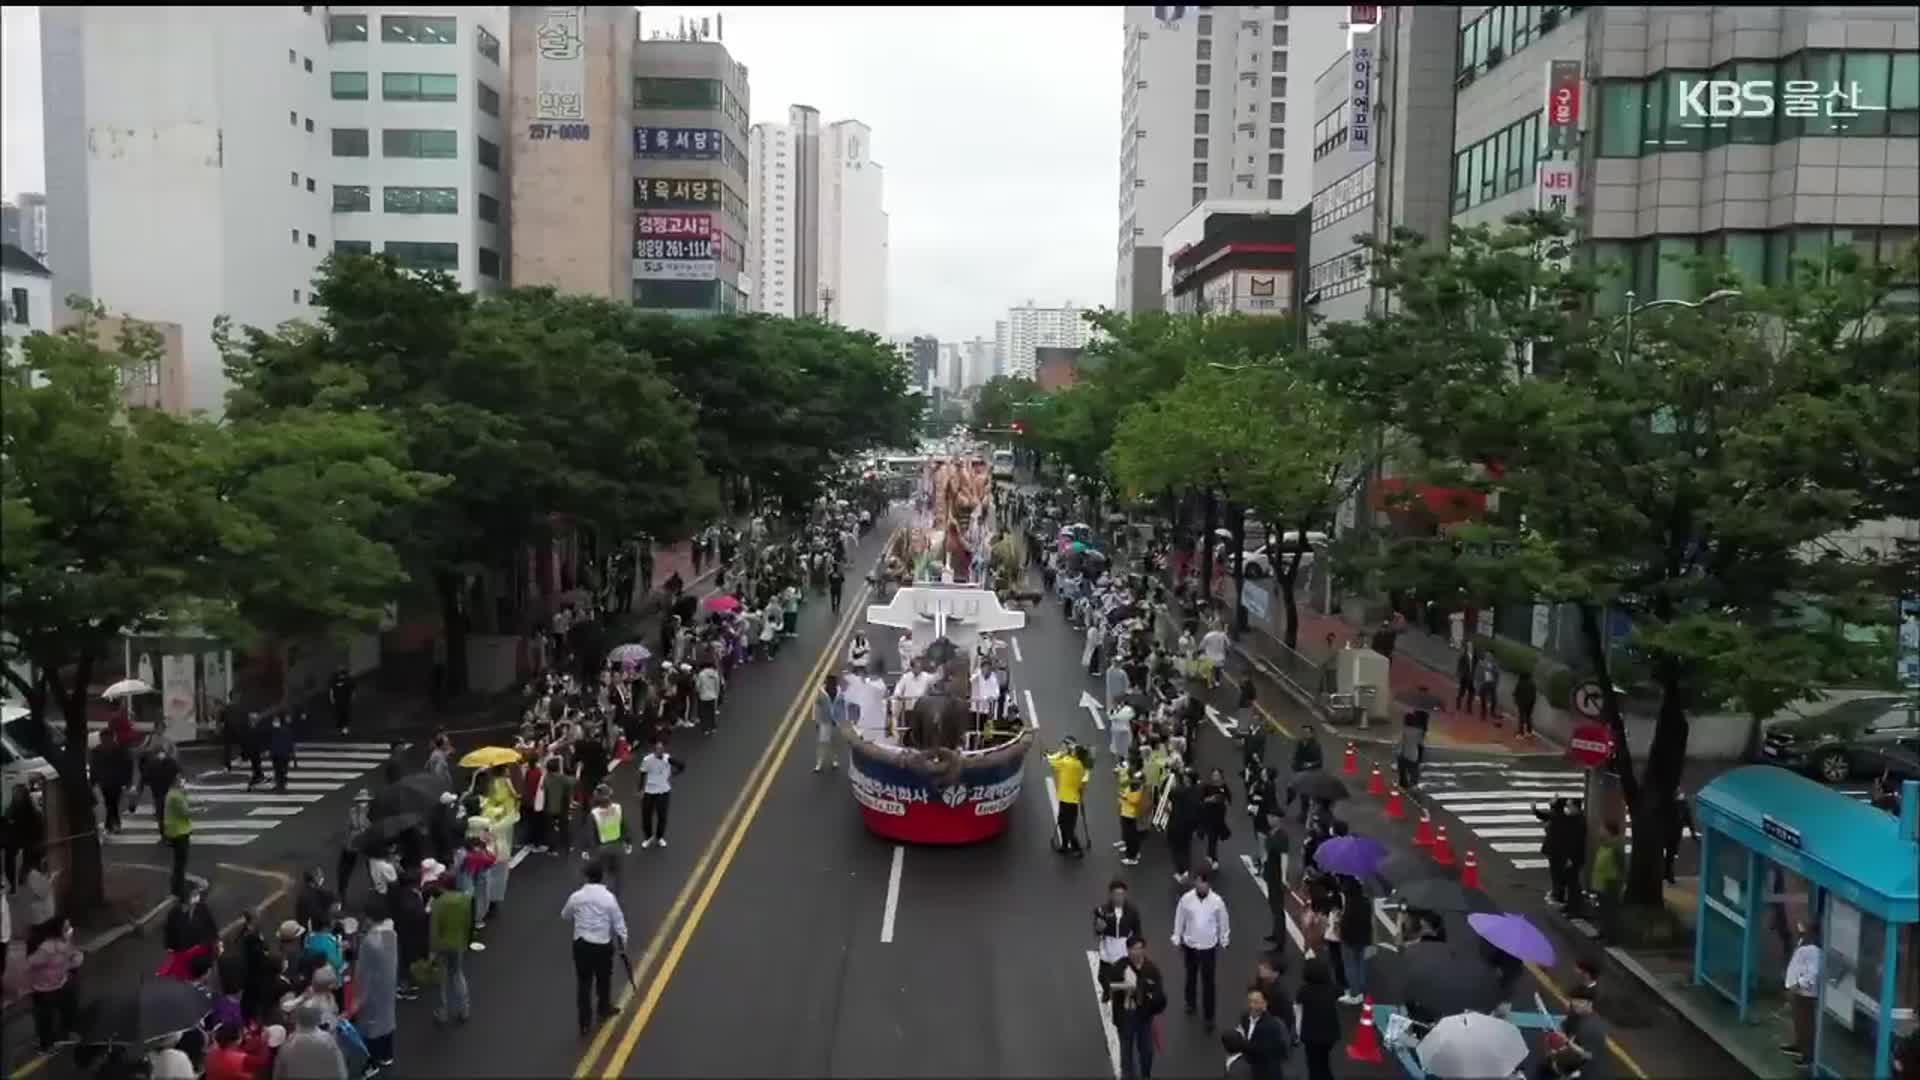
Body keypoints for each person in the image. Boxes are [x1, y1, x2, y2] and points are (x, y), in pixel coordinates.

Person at [561, 863, 628, 1036]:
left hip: (582, 944)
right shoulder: (608, 898)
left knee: (583, 983)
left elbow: (565, 915)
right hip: (602, 945)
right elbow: (618, 923)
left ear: (586, 877)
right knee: (603, 979)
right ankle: (603, 1008)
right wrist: (622, 945)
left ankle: (584, 1021)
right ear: (601, 877)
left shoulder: (577, 897)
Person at [1171, 870, 1229, 1033]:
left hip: (1208, 946)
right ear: (1195, 882)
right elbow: (1179, 918)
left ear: (1209, 884)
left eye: (1204, 882)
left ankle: (1209, 1017)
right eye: (1198, 882)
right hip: (1190, 944)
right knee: (1190, 974)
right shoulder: (1187, 899)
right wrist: (1177, 935)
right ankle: (1190, 1002)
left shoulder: (1217, 902)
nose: (1201, 885)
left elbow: (1223, 921)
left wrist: (1224, 938)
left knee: (1208, 982)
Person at [1105, 936, 1166, 1080]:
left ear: (1144, 950)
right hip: (1125, 1016)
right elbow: (1110, 987)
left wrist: (1151, 999)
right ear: (1128, 950)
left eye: (1139, 948)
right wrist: (1128, 987)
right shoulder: (1120, 967)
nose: (1136, 952)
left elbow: (1160, 996)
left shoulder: (1151, 970)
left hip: (1144, 1018)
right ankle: (1128, 1076)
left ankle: (1146, 1074)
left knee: (1147, 1051)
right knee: (1126, 1051)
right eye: (1133, 949)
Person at [350, 900, 399, 1069]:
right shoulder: (391, 934)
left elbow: (362, 971)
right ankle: (387, 1055)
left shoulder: (370, 941)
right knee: (387, 1018)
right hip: (388, 984)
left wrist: (358, 998)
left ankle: (373, 1060)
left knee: (372, 1023)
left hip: (373, 989)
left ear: (370, 918)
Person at [428, 871, 475, 1021]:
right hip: (458, 943)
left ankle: (442, 1012)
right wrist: (467, 941)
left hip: (442, 944)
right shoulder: (465, 900)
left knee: (440, 978)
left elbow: (434, 929)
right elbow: (469, 923)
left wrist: (432, 951)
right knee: (457, 974)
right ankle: (464, 1008)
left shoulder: (438, 903)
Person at [274, 1001, 348, 1080]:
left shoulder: (287, 1045)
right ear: (317, 1020)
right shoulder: (329, 1041)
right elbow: (342, 1074)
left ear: (297, 1021)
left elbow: (278, 1076)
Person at [1295, 958, 1342, 1080]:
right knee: (1324, 1061)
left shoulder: (1303, 991)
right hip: (1330, 1034)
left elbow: (1298, 1012)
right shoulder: (1332, 988)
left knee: (1313, 1065)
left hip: (1311, 1035)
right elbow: (1340, 992)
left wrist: (1297, 1033)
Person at [1232, 985, 1291, 1080]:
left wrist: (1239, 1043)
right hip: (1250, 1067)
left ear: (1265, 1004)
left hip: (1267, 1071)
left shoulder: (1271, 1026)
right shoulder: (1245, 1018)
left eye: (1256, 1002)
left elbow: (1263, 1050)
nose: (1251, 1005)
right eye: (1250, 1001)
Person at [1094, 879, 1144, 990]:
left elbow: (1137, 931)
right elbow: (1097, 931)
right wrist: (1099, 928)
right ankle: (1108, 991)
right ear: (1111, 895)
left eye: (1122, 894)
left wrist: (1137, 949)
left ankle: (1119, 997)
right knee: (1102, 977)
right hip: (1107, 949)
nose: (1119, 897)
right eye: (1116, 894)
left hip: (1123, 950)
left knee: (1119, 978)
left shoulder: (1132, 911)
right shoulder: (1102, 910)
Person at [1783, 921, 1821, 1064]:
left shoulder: (1813, 950)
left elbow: (1813, 972)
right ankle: (1800, 1045)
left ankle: (1808, 1055)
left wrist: (1799, 984)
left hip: (1805, 993)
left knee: (1806, 1024)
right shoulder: (1803, 944)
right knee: (1799, 1021)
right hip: (1797, 990)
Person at [637, 740, 685, 847]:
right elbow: (642, 774)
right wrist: (640, 790)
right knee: (646, 816)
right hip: (649, 791)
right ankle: (649, 837)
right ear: (654, 750)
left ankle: (659, 837)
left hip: (663, 791)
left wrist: (672, 772)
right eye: (658, 749)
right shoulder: (647, 760)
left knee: (662, 816)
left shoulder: (668, 759)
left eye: (662, 749)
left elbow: (682, 766)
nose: (660, 751)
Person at [1047, 739, 1090, 856]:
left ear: (1075, 754)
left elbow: (1052, 763)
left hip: (1067, 799)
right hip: (1071, 799)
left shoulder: (1068, 762)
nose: (1071, 749)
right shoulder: (1079, 765)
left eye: (1073, 749)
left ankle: (1077, 848)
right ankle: (1065, 845)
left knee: (1066, 826)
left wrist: (1061, 753)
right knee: (1064, 823)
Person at [90, 730, 133, 834]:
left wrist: (93, 780)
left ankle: (111, 825)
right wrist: (127, 781)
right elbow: (128, 765)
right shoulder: (119, 749)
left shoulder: (98, 750)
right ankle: (114, 824)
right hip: (115, 781)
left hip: (106, 781)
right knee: (112, 803)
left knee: (110, 803)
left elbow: (94, 767)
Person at [163, 771, 193, 899]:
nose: (182, 781)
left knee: (179, 862)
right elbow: (185, 812)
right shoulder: (176, 796)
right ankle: (178, 888)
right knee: (180, 862)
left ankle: (177, 886)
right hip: (180, 832)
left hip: (175, 831)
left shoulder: (173, 794)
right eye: (179, 779)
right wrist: (200, 810)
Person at [1261, 825, 1290, 952]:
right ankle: (1276, 934)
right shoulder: (1270, 833)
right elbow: (1266, 853)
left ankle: (1280, 941)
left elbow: (1284, 857)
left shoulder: (1281, 837)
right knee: (1273, 905)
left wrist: (1283, 877)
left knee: (1278, 908)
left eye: (1272, 817)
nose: (1269, 819)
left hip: (1277, 877)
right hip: (1270, 875)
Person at [813, 676, 847, 773]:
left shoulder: (841, 693)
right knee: (823, 742)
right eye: (829, 683)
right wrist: (816, 720)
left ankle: (834, 760)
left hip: (836, 722)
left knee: (834, 742)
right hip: (825, 720)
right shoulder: (821, 692)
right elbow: (816, 706)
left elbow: (843, 706)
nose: (830, 685)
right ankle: (819, 763)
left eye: (832, 683)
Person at [1116, 769, 1146, 865]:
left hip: (1130, 815)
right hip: (1128, 814)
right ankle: (1135, 854)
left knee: (1130, 837)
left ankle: (1131, 858)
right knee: (1132, 836)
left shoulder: (1138, 790)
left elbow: (1134, 801)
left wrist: (1124, 797)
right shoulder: (1135, 788)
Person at [1396, 709, 1428, 791]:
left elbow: (1401, 742)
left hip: (1403, 754)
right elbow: (1421, 744)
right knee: (1414, 772)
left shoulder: (1405, 730)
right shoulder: (1419, 731)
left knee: (1402, 771)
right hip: (1413, 755)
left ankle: (1403, 784)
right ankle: (1413, 786)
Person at [328, 668, 355, 736]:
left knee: (345, 714)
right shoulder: (335, 682)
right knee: (339, 714)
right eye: (340, 675)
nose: (341, 676)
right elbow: (332, 691)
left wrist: (351, 697)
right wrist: (332, 699)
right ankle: (341, 727)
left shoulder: (347, 682)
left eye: (342, 675)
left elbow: (351, 690)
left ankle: (344, 728)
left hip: (345, 701)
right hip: (338, 701)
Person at [1513, 668, 1539, 737]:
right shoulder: (1532, 683)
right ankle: (1529, 731)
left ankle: (1521, 733)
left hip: (1522, 703)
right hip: (1530, 703)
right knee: (1528, 717)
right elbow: (1534, 695)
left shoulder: (1520, 683)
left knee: (1521, 717)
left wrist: (1516, 700)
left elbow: (1516, 693)